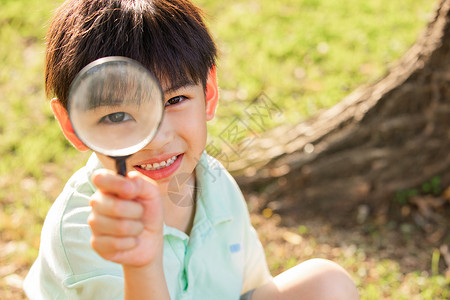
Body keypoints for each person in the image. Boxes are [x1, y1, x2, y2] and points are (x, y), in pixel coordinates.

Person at [24, 0, 360, 299]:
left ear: (209, 94)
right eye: (118, 115)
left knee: (326, 283)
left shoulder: (213, 180)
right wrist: (141, 265)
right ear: (72, 124)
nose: (156, 138)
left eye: (175, 100)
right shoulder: (89, 229)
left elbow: (249, 289)